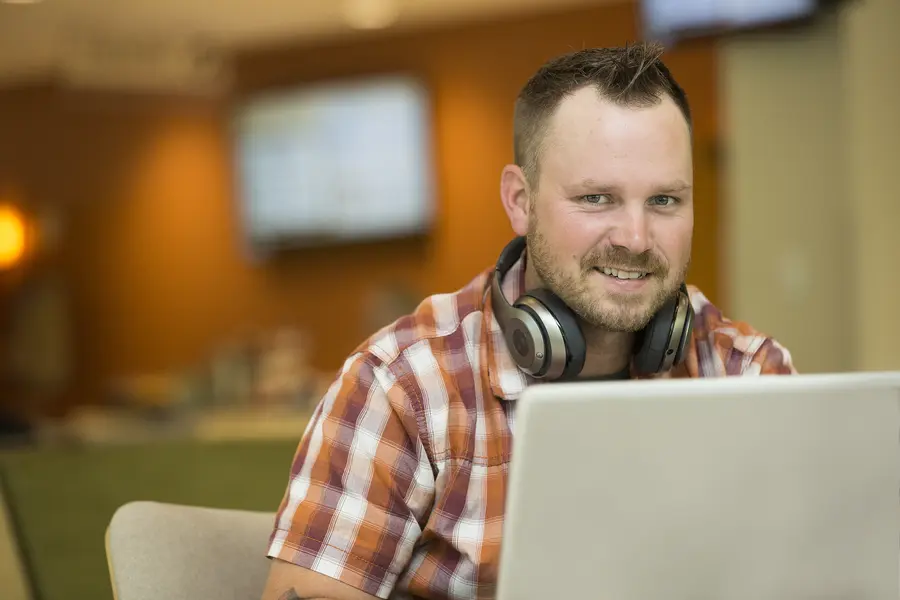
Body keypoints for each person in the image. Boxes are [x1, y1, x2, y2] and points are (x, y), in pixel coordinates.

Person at [259, 42, 796, 600]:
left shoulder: (747, 373)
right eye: (596, 198)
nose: (636, 239)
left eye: (664, 201)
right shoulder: (402, 384)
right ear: (520, 201)